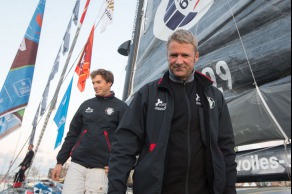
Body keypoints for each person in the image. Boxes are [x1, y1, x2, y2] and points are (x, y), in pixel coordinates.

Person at [108, 30, 237, 194]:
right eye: (173, 55)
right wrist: (115, 190)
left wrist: (229, 188)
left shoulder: (213, 96)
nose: (179, 61)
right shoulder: (148, 94)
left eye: (185, 55)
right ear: (167, 56)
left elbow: (226, 146)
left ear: (196, 57)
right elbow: (124, 146)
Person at [51, 69, 128, 194]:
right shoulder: (86, 105)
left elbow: (126, 140)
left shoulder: (121, 107)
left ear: (109, 83)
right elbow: (72, 135)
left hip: (101, 168)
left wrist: (118, 163)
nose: (95, 86)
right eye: (93, 83)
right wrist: (60, 162)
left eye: (99, 82)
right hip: (77, 165)